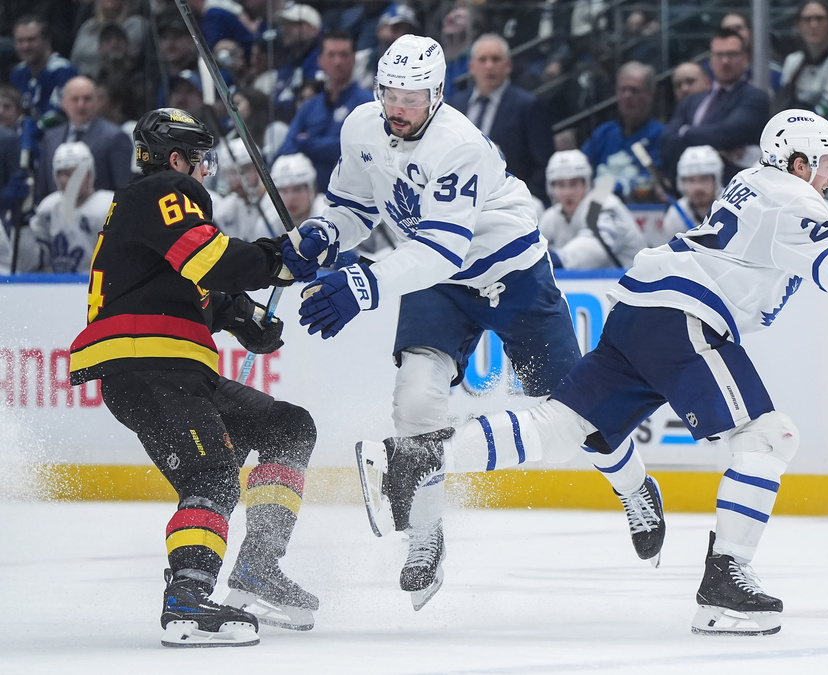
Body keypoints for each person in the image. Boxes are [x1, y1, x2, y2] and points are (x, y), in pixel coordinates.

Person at [357, 109, 828, 636]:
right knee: (768, 437)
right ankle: (724, 582)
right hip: (685, 314)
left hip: (642, 309)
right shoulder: (790, 197)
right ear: (794, 162)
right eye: (826, 161)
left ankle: (410, 459)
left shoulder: (759, 189)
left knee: (559, 428)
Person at [288, 34, 660, 610]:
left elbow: (441, 247)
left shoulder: (456, 144)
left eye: (412, 96)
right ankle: (425, 534)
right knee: (415, 402)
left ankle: (636, 488)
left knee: (578, 412)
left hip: (509, 273)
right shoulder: (362, 127)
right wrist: (325, 232)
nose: (397, 108)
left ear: (437, 94)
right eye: (390, 92)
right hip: (437, 282)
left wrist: (363, 283)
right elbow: (354, 206)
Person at [67, 107, 322, 646]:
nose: (206, 171)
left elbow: (192, 286)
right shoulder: (162, 189)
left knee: (287, 426)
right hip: (148, 363)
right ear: (176, 159)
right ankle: (186, 601)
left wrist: (243, 316)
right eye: (201, 159)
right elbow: (208, 258)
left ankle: (257, 567)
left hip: (172, 366)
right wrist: (277, 258)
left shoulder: (150, 214)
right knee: (211, 477)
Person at [448, 33, 555, 203]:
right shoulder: (455, 105)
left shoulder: (527, 106)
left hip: (510, 204)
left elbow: (542, 164)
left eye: (496, 59)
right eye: (482, 60)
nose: (489, 66)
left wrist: (524, 201)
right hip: (461, 202)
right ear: (471, 66)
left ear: (508, 65)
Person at [660, 28, 771, 187]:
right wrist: (717, 150)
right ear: (710, 59)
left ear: (745, 59)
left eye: (731, 55)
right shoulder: (692, 101)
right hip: (690, 192)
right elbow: (667, 142)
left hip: (732, 190)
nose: (725, 61)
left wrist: (685, 132)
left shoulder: (754, 97)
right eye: (719, 55)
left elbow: (728, 133)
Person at [276, 30, 374, 194]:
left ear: (354, 59)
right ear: (320, 61)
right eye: (331, 55)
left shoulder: (368, 104)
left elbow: (352, 151)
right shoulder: (310, 107)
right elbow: (286, 148)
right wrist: (324, 146)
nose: (337, 62)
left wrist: (307, 143)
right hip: (306, 198)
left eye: (344, 55)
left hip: (351, 198)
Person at [538, 149, 646, 269]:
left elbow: (596, 248)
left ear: (586, 184)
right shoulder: (551, 216)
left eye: (574, 184)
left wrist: (555, 258)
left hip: (635, 283)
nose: (567, 192)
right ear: (551, 188)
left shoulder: (605, 203)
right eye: (560, 185)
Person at [15, 141, 112, 272]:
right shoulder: (48, 207)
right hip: (57, 288)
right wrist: (23, 224)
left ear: (91, 174)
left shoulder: (110, 206)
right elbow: (30, 265)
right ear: (56, 177)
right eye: (66, 174)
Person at [35, 75, 134, 198]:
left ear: (97, 102)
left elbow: (124, 188)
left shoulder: (115, 137)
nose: (81, 105)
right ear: (64, 102)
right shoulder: (50, 138)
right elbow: (43, 187)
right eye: (75, 99)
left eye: (87, 99)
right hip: (58, 212)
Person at [581, 61, 665, 203]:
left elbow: (653, 183)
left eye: (634, 90)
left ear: (650, 95)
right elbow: (581, 170)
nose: (627, 96)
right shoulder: (603, 133)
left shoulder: (661, 136)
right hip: (596, 211)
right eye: (623, 90)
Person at [9, 14, 77, 120]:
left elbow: (58, 117)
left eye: (31, 40)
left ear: (47, 40)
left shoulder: (63, 71)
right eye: (20, 41)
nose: (25, 46)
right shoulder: (18, 73)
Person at [776, 1, 828, 115]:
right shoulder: (792, 61)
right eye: (807, 19)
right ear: (798, 25)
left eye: (819, 19)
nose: (813, 25)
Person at [660, 145, 724, 241]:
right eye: (691, 180)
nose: (698, 187)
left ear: (716, 180)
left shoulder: (731, 207)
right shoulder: (675, 216)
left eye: (704, 179)